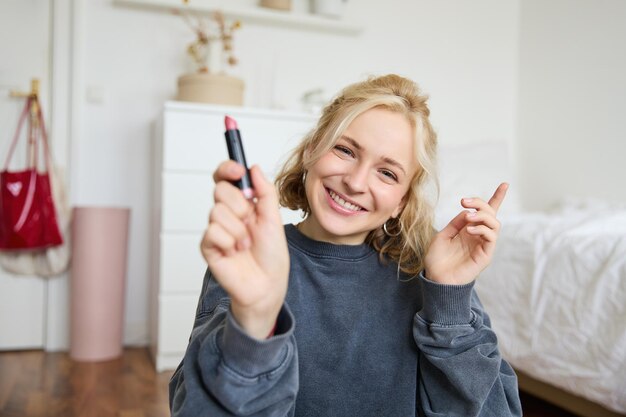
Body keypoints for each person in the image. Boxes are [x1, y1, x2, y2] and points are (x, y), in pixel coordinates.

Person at [169, 74, 522, 416]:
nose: (355, 182)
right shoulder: (255, 256)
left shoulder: (427, 274)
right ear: (313, 148)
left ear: (401, 200)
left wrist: (449, 304)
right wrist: (255, 322)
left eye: (387, 173)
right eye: (345, 150)